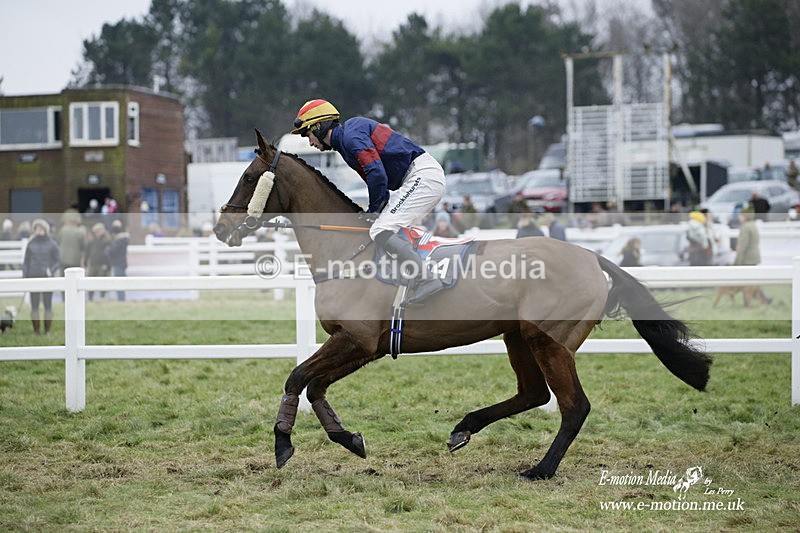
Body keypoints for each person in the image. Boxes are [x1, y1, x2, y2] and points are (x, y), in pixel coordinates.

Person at [292, 98, 446, 305]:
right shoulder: (345, 142)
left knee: (380, 230)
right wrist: (375, 209)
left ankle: (425, 279)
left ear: (318, 126)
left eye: (307, 134)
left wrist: (373, 210)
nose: (310, 142)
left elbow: (376, 173)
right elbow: (378, 178)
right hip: (417, 177)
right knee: (383, 227)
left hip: (422, 176)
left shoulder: (350, 136)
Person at [22, 219, 61, 334]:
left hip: (47, 278)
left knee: (48, 305)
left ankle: (47, 331)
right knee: (34, 306)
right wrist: (25, 277)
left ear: (45, 230)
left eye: (41, 229)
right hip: (33, 277)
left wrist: (51, 270)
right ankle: (36, 331)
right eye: (37, 229)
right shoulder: (31, 243)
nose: (39, 231)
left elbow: (58, 261)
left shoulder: (52, 243)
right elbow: (26, 262)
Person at [733, 208, 771, 305]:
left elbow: (742, 245)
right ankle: (764, 299)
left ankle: (748, 303)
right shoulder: (753, 225)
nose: (739, 217)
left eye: (741, 215)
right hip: (754, 257)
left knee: (747, 282)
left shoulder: (745, 227)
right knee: (753, 281)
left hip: (747, 258)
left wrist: (737, 261)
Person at [85, 223, 111, 301]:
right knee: (90, 281)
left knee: (102, 281)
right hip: (93, 264)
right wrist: (86, 261)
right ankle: (90, 297)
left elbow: (109, 254)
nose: (97, 233)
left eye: (99, 231)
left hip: (102, 264)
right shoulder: (92, 241)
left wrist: (107, 265)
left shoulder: (106, 241)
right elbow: (87, 252)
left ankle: (102, 297)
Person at [105, 220, 130, 301]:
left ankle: (121, 299)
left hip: (118, 263)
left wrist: (108, 250)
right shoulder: (123, 240)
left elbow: (113, 250)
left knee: (119, 282)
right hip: (121, 263)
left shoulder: (119, 241)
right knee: (120, 282)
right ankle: (121, 298)